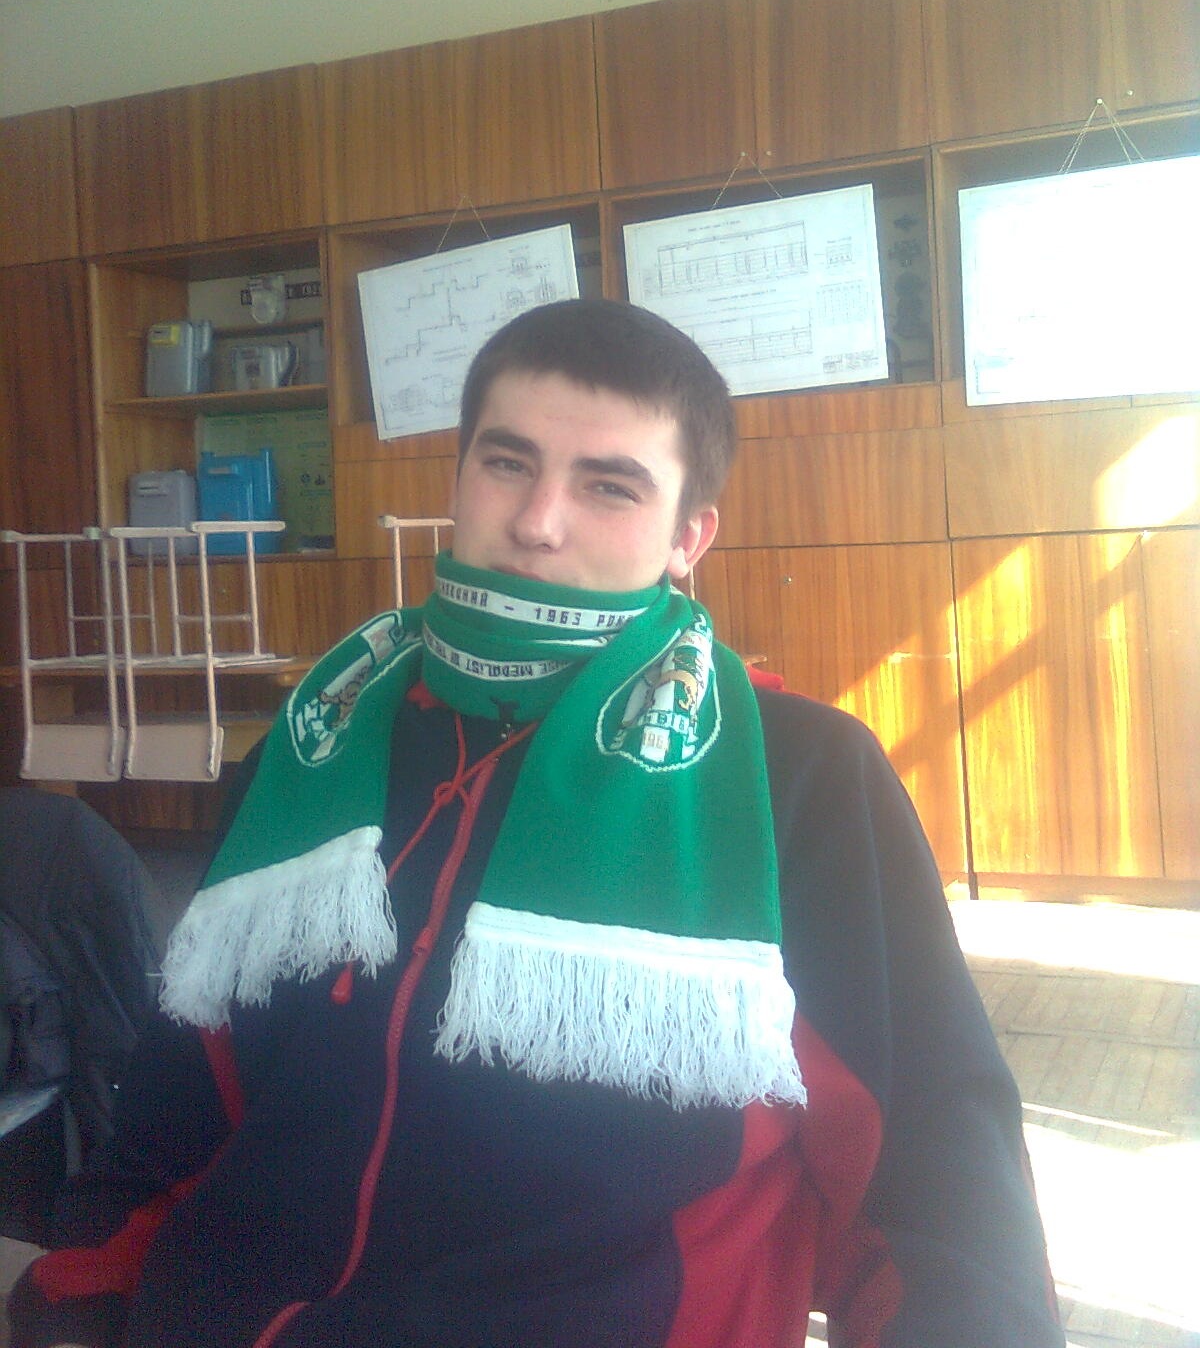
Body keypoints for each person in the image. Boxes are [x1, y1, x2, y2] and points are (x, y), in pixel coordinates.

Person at [9, 299, 1065, 1348]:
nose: (538, 520)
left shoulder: (796, 776)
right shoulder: (321, 740)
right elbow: (187, 1085)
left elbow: (937, 1172)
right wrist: (86, 1289)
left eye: (610, 486)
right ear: (459, 477)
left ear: (688, 536)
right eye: (507, 463)